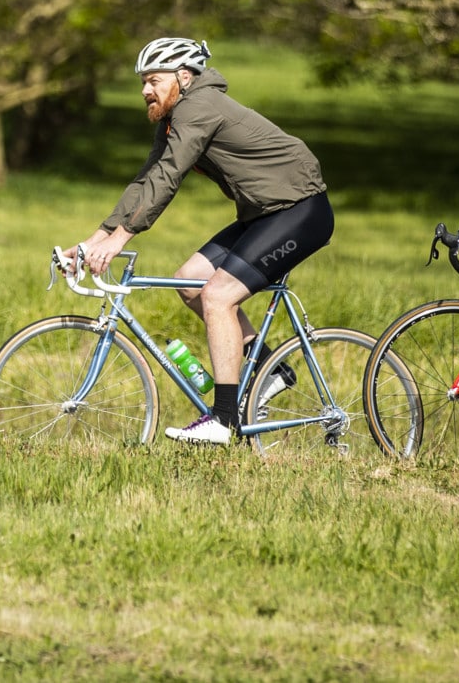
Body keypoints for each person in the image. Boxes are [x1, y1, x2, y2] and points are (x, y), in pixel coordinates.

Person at [71, 37, 332, 446]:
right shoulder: (176, 117)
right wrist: (96, 239)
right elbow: (147, 178)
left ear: (184, 77)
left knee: (217, 296)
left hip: (299, 212)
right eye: (143, 82)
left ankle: (223, 421)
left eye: (153, 80)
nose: (144, 90)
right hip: (265, 214)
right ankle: (268, 370)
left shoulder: (199, 107)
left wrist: (121, 239)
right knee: (191, 280)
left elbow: (169, 177)